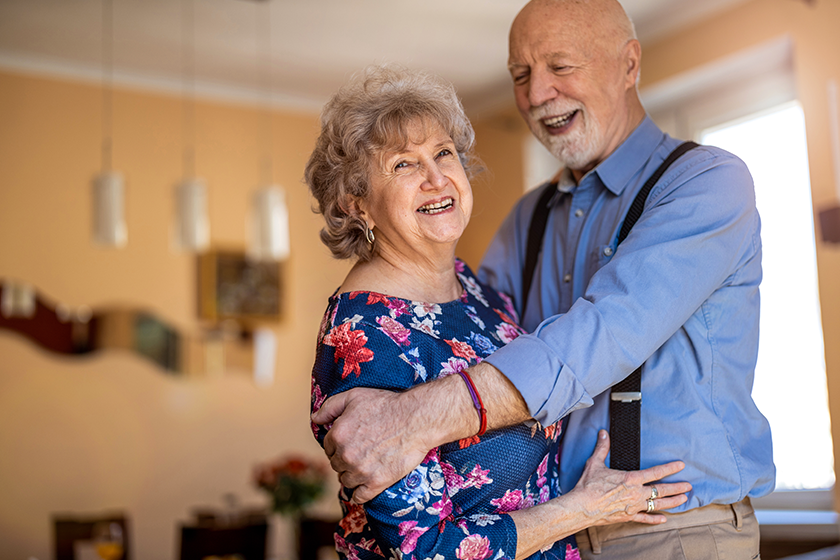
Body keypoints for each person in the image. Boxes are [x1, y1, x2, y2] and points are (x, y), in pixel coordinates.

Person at [312, 1, 775, 558]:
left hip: (673, 530)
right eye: (521, 75)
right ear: (355, 202)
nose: (536, 95)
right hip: (556, 534)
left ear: (630, 65)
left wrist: (412, 417)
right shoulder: (527, 219)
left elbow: (601, 337)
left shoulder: (707, 184)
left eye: (560, 65)